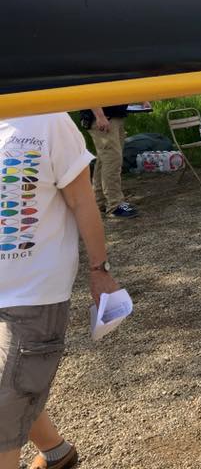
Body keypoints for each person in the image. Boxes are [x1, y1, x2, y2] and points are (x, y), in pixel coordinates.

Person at [1, 112, 121, 469]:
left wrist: (99, 271)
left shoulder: (49, 118)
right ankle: (57, 453)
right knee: (13, 389)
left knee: (7, 399)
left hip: (33, 297)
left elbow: (82, 201)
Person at [79, 105, 137, 218]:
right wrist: (99, 115)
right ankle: (114, 205)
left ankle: (99, 201)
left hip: (114, 116)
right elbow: (90, 95)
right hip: (104, 117)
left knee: (104, 159)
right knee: (112, 160)